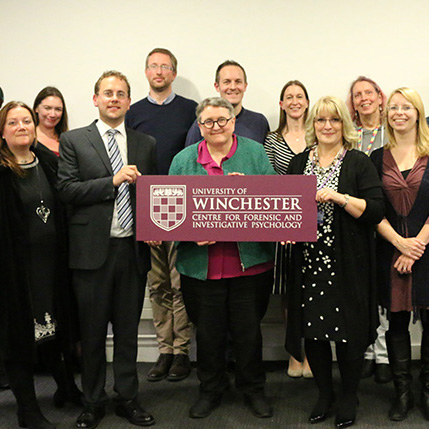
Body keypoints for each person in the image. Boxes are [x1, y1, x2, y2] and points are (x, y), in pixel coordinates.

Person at [57, 71, 157, 428]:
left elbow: (152, 198)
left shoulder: (145, 143)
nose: (114, 99)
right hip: (90, 254)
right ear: (95, 99)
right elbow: (66, 190)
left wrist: (156, 228)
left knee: (128, 332)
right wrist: (111, 182)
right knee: (93, 332)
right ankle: (93, 400)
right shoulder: (74, 141)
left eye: (121, 94)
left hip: (131, 252)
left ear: (130, 101)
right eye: (107, 93)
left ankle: (128, 397)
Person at [169, 97, 275, 419]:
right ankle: (210, 389)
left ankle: (253, 389)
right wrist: (189, 233)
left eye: (222, 120)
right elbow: (167, 212)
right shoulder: (183, 160)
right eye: (208, 122)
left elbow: (277, 201)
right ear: (199, 126)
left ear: (233, 122)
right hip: (200, 267)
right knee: (208, 334)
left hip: (250, 263)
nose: (216, 127)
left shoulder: (256, 153)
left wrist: (252, 191)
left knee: (248, 334)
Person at [286, 96, 384, 428]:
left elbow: (374, 210)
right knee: (313, 334)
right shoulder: (299, 162)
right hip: (308, 263)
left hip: (347, 263)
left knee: (348, 335)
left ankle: (348, 396)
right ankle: (324, 394)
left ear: (345, 125)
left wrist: (339, 197)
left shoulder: (358, 162)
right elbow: (285, 208)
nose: (327, 126)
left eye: (335, 120)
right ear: (313, 125)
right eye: (321, 120)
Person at [0, 101, 79, 429]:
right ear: (2, 132)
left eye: (26, 121)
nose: (21, 126)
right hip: (14, 270)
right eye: (13, 122)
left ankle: (66, 389)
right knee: (19, 335)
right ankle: (27, 410)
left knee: (55, 326)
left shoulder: (49, 162)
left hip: (52, 265)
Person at [126, 48, 196, 382]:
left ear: (173, 72)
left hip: (182, 205)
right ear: (146, 72)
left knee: (179, 282)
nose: (159, 71)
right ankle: (163, 351)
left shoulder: (190, 111)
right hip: (148, 207)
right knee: (157, 285)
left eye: (165, 66)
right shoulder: (132, 112)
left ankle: (181, 351)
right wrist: (144, 216)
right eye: (153, 65)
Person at [371, 87, 429, 422]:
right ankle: (402, 392)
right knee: (395, 322)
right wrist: (399, 244)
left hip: (427, 250)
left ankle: (427, 390)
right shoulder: (376, 158)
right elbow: (373, 209)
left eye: (406, 107)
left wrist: (416, 245)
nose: (399, 113)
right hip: (390, 251)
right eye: (393, 107)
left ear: (417, 112)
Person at [264, 80, 312, 379]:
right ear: (281, 104)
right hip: (284, 227)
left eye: (299, 96)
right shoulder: (271, 139)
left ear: (308, 102)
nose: (294, 101)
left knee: (314, 290)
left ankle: (314, 354)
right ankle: (296, 354)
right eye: (288, 97)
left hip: (320, 223)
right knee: (289, 292)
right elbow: (269, 183)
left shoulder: (322, 133)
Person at [347, 76, 391, 384]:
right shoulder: (349, 135)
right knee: (362, 291)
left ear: (379, 97)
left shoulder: (395, 130)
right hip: (356, 222)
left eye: (368, 92)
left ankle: (385, 353)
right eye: (357, 95)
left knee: (387, 290)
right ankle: (366, 352)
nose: (363, 98)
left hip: (389, 221)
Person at [185, 60, 269, 146]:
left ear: (245, 86)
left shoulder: (259, 122)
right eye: (227, 82)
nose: (233, 87)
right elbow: (190, 156)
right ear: (217, 86)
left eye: (238, 82)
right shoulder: (204, 123)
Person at [33, 87, 69, 156]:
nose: (52, 114)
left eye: (58, 109)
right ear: (36, 108)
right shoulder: (29, 140)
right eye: (47, 108)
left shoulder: (67, 140)